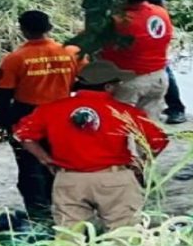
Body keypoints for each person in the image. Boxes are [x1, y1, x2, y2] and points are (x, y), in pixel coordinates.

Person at [14, 61, 169, 231]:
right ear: (108, 86)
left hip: (69, 179)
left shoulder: (51, 109)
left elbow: (23, 135)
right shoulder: (123, 111)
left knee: (69, 235)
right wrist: (141, 163)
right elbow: (158, 141)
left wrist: (46, 160)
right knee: (125, 233)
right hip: (114, 178)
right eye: (118, 83)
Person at [0, 10, 80, 224]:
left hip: (27, 116)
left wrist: (1, 124)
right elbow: (83, 83)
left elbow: (3, 95)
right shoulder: (71, 52)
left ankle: (39, 215)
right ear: (49, 27)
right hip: (62, 115)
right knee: (57, 163)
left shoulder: (15, 59)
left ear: (22, 30)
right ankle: (59, 210)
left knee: (29, 168)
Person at [100, 0, 174, 120]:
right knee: (148, 128)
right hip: (159, 78)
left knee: (120, 129)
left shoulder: (117, 20)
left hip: (130, 81)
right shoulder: (161, 13)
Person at [148, 0, 187, 124]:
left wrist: (163, 28)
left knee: (161, 64)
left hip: (149, 20)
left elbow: (160, 4)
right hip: (130, 19)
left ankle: (176, 108)